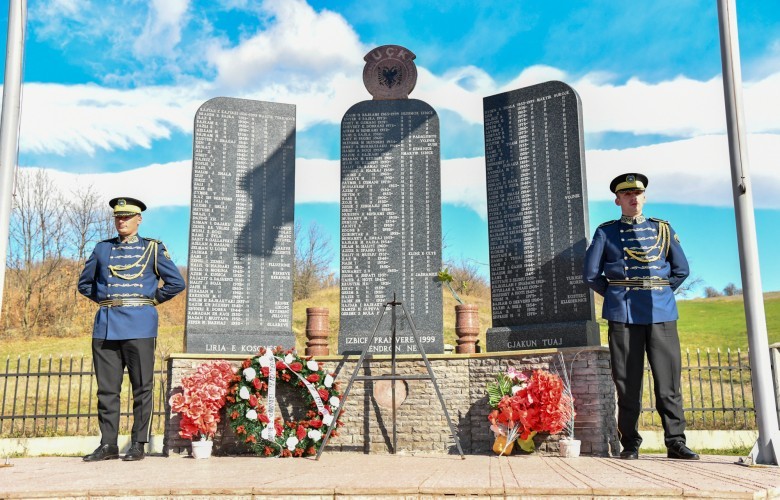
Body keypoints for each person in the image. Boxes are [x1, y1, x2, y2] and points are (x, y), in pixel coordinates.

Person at [583, 173, 699, 461]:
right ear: (618, 200)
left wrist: (660, 292)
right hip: (623, 313)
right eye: (627, 194)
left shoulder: (662, 229)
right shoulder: (605, 232)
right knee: (627, 383)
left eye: (638, 193)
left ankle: (675, 442)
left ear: (644, 197)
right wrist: (616, 295)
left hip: (661, 312)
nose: (634, 198)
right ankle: (630, 444)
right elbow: (590, 274)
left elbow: (681, 269)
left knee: (668, 384)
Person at [78, 197, 185, 461]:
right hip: (106, 325)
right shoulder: (102, 249)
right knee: (106, 390)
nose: (121, 221)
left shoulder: (153, 249)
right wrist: (107, 301)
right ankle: (108, 445)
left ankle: (138, 443)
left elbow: (176, 283)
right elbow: (84, 284)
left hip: (140, 324)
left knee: (142, 388)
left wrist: (150, 301)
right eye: (118, 217)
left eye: (127, 217)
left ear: (139, 219)